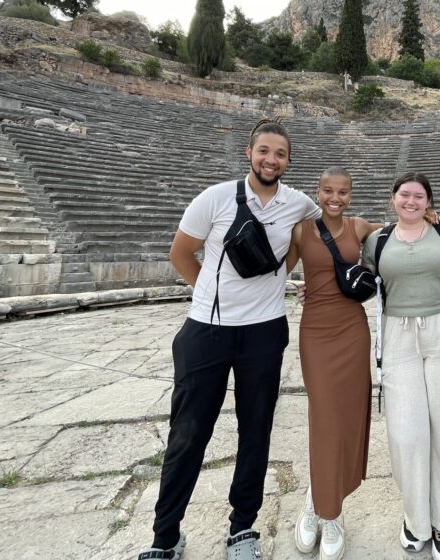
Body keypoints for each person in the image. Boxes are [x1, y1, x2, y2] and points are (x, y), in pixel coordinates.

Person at [138, 118, 320, 560]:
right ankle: (165, 536)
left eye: (279, 153)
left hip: (264, 332)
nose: (271, 159)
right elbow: (181, 253)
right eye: (264, 151)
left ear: (288, 161)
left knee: (255, 431)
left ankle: (243, 529)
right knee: (188, 432)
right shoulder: (215, 198)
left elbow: (331, 221)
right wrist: (209, 295)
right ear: (249, 153)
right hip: (207, 331)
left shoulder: (299, 204)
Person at [361, 171, 440, 560]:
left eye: (419, 196)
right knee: (406, 432)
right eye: (404, 195)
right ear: (393, 199)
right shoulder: (377, 240)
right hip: (398, 336)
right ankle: (416, 518)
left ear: (429, 202)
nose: (411, 201)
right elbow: (361, 279)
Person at [285, 167, 375, 560]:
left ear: (350, 195)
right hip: (316, 332)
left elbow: (404, 229)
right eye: (327, 191)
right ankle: (323, 507)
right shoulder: (301, 230)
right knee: (324, 416)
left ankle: (325, 503)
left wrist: (428, 215)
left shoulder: (360, 227)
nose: (334, 198)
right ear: (317, 192)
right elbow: (277, 273)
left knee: (348, 416)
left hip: (352, 331)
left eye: (342, 192)